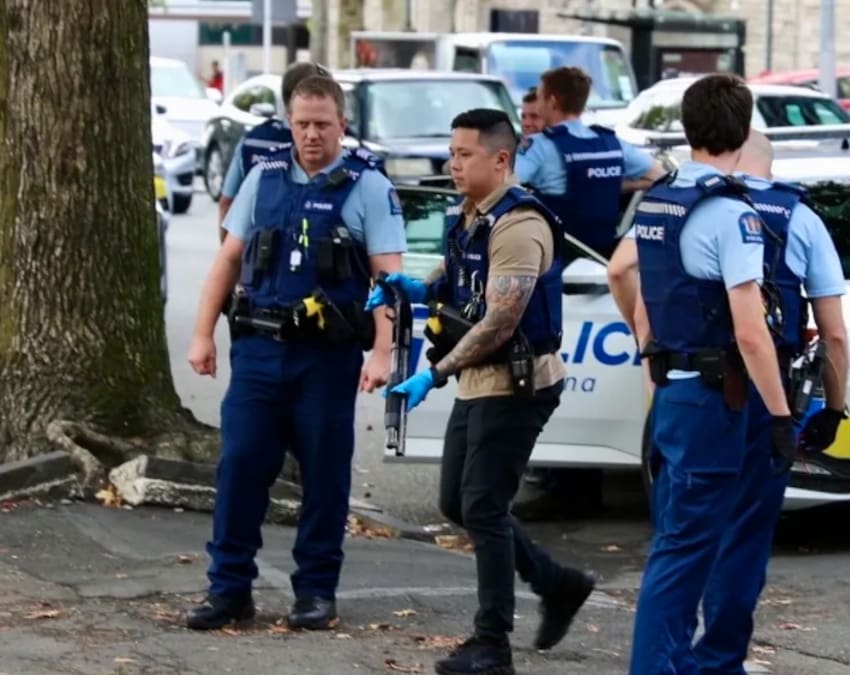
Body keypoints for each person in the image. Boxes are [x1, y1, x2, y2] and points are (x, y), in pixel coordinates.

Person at [368, 108, 595, 675]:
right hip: (481, 380)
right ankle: (557, 582)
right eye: (452, 153)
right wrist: (413, 289)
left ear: (501, 160)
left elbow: (499, 320)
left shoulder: (520, 225)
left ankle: (491, 643)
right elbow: (456, 282)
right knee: (455, 502)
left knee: (483, 506)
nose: (452, 163)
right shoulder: (472, 215)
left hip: (519, 385)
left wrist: (434, 373)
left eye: (464, 155)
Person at [184, 74, 407, 632]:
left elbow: (389, 280)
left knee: (324, 477)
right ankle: (229, 589)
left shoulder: (369, 187)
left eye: (322, 124)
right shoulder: (264, 179)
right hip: (260, 350)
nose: (311, 134)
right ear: (289, 122)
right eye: (302, 123)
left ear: (342, 124)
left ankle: (315, 591)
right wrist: (202, 332)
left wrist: (384, 352)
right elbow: (229, 260)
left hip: (325, 359)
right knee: (240, 467)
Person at [623, 73, 795, 674]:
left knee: (678, 545)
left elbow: (645, 301)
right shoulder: (730, 215)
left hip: (675, 390)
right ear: (743, 131)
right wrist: (779, 415)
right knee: (687, 551)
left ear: (689, 129)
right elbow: (751, 331)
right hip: (714, 400)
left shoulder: (660, 200)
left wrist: (657, 372)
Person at [689, 129, 850, 672]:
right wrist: (832, 407)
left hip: (692, 386)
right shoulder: (799, 218)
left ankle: (668, 652)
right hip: (767, 390)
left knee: (686, 526)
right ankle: (718, 659)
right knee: (747, 530)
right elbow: (834, 336)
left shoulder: (690, 205)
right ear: (769, 167)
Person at [516, 66, 665, 259]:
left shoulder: (539, 146)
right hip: (603, 260)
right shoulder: (611, 144)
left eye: (540, 96)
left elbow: (502, 185)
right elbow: (659, 176)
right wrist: (607, 184)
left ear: (551, 101)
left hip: (554, 260)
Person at [218, 61, 329, 239]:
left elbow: (226, 203)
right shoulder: (330, 143)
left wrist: (230, 256)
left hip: (256, 254)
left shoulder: (252, 141)